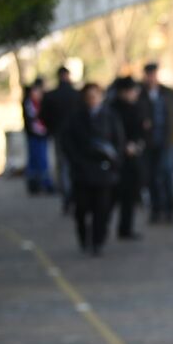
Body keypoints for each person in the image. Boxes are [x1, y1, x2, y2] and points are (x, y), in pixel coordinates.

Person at [65, 82, 126, 256]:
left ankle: (98, 241)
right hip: (82, 173)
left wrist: (114, 163)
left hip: (104, 173)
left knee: (102, 209)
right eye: (89, 96)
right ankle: (85, 237)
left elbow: (119, 141)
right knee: (82, 209)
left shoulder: (110, 117)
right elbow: (68, 143)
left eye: (95, 96)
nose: (92, 100)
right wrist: (77, 162)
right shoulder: (75, 118)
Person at [137, 62, 173, 225]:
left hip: (167, 142)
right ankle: (156, 209)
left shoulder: (168, 93)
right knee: (152, 177)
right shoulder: (141, 94)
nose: (151, 78)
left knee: (167, 176)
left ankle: (169, 210)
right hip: (149, 143)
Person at [39, 66, 80, 213]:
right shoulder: (77, 94)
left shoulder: (51, 96)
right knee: (74, 166)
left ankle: (68, 197)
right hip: (76, 136)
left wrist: (52, 128)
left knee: (63, 167)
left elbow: (42, 115)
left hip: (59, 135)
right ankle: (73, 196)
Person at [109, 77, 145, 241]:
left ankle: (126, 228)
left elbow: (142, 131)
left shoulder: (136, 108)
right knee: (109, 198)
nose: (135, 93)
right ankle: (99, 230)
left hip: (132, 160)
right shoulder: (111, 110)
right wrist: (123, 147)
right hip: (115, 161)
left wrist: (137, 145)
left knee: (129, 197)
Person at [22, 80, 54, 195]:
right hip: (34, 136)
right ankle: (36, 184)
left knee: (43, 160)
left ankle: (45, 183)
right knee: (36, 160)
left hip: (42, 135)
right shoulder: (29, 104)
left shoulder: (42, 104)